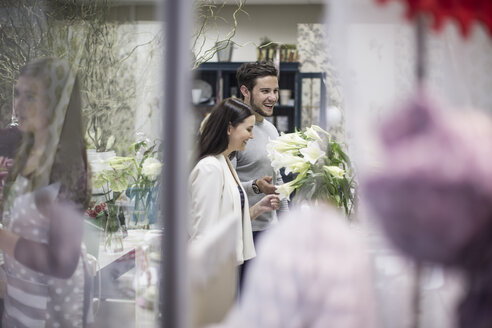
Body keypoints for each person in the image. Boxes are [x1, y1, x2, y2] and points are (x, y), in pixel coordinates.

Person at [0, 57, 92, 327]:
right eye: (18, 93)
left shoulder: (67, 162)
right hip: (21, 301)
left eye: (30, 97)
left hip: (52, 310)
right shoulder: (25, 147)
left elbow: (62, 262)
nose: (18, 104)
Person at [189, 98, 280, 265]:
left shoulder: (224, 163)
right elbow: (203, 233)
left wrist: (258, 209)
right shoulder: (210, 168)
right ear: (230, 128)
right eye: (249, 129)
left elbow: (225, 223)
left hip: (226, 266)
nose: (252, 136)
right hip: (212, 272)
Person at [234, 61, 289, 240]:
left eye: (275, 91)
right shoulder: (234, 132)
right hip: (242, 230)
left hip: (271, 231)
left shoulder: (272, 129)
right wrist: (257, 186)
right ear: (245, 91)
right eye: (265, 91)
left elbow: (277, 179)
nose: (273, 97)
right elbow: (224, 187)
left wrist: (287, 226)